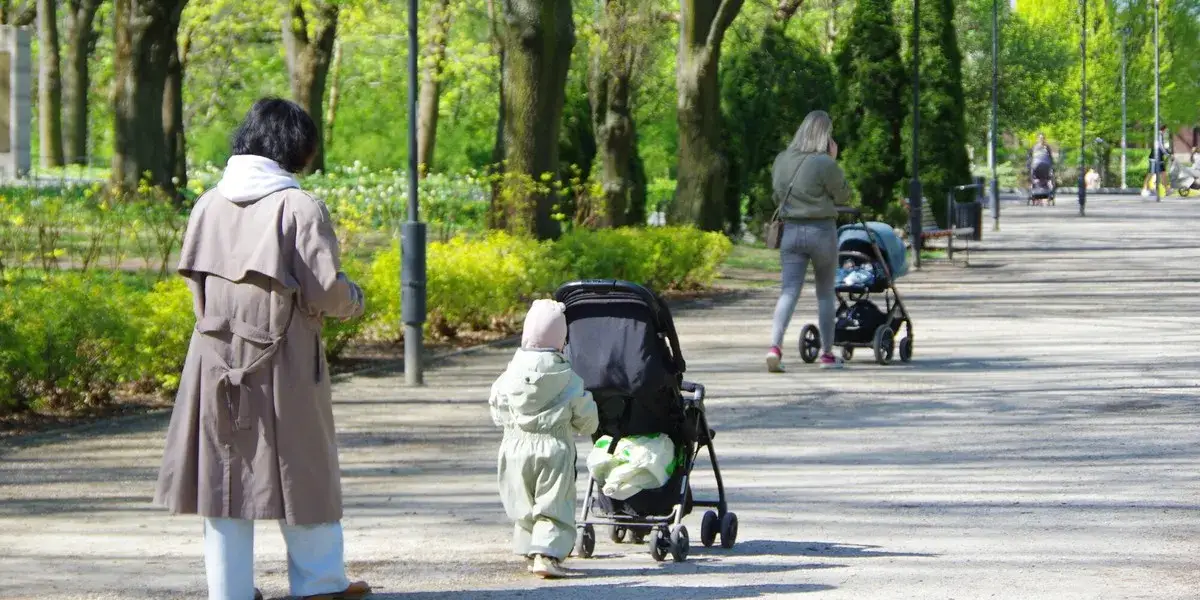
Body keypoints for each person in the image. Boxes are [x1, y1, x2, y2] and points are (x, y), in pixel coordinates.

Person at [154, 98, 370, 600]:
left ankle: (228, 591)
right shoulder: (298, 206)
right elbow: (325, 292)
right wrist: (354, 298)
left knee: (222, 476)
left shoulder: (209, 203)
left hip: (214, 358)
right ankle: (319, 585)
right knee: (302, 467)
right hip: (284, 357)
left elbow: (197, 289)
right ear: (296, 146)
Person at [489, 299, 598, 579]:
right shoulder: (568, 377)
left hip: (514, 446)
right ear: (562, 342)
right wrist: (588, 423)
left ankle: (528, 547)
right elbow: (586, 418)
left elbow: (497, 403)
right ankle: (546, 555)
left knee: (521, 500)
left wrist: (510, 424)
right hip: (554, 447)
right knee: (553, 502)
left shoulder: (510, 372)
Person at [765, 110, 851, 372]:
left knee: (788, 291)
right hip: (821, 232)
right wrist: (833, 160)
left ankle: (774, 348)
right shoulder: (824, 163)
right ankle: (826, 354)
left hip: (790, 232)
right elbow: (844, 196)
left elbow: (776, 196)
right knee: (825, 293)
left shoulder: (781, 160)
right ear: (825, 135)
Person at [1143, 123, 1173, 196]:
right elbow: (1161, 146)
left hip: (1159, 157)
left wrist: (1166, 153)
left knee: (1163, 174)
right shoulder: (1159, 135)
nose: (1166, 131)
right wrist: (1167, 153)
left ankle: (1167, 190)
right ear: (1164, 129)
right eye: (1166, 129)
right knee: (1151, 173)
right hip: (1155, 157)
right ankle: (1144, 189)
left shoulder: (1160, 135)